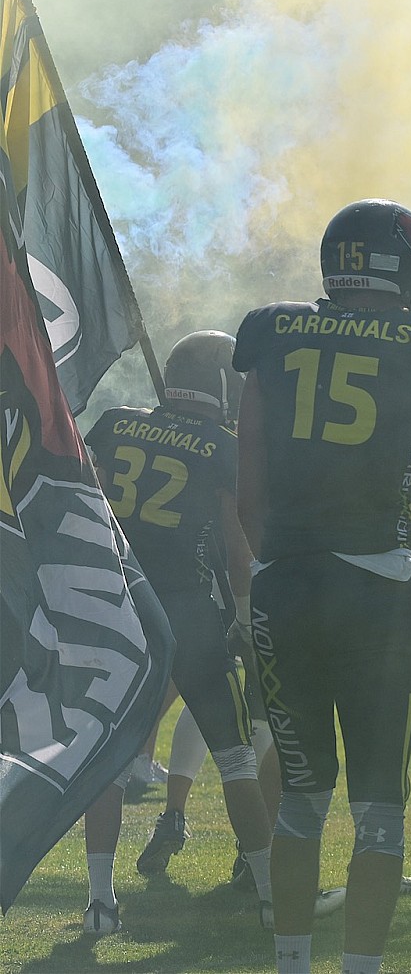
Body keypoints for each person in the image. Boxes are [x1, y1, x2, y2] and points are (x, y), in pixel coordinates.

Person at [233, 199, 411, 974]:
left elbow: (249, 486)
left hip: (285, 583)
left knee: (303, 797)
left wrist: (269, 567)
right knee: (380, 810)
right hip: (377, 587)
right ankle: (361, 969)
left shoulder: (270, 331)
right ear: (410, 271)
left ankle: (289, 962)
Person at [80, 332, 279, 933]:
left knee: (111, 760)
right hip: (189, 609)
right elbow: (238, 546)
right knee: (238, 757)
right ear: (223, 386)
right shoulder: (222, 446)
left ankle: (99, 901)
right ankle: (272, 896)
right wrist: (247, 619)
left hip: (117, 604)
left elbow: (84, 497)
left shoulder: (114, 424)